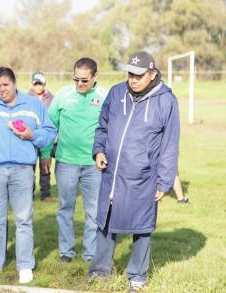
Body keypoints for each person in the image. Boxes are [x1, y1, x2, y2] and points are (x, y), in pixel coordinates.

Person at [89, 51, 180, 293]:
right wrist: (98, 151)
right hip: (112, 174)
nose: (134, 79)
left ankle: (137, 277)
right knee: (106, 221)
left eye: (139, 75)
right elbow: (103, 126)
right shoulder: (116, 93)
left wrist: (164, 181)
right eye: (130, 74)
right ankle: (100, 270)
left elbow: (170, 144)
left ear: (152, 74)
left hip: (144, 178)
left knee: (142, 226)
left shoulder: (166, 100)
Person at [0, 55, 57, 284]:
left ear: (14, 84)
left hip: (22, 171)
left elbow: (49, 133)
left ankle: (25, 265)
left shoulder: (34, 104)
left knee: (23, 219)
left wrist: (31, 135)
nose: (2, 90)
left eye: (6, 85)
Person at [40, 58, 107, 262]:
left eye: (84, 80)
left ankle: (90, 253)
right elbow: (49, 125)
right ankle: (66, 252)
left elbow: (111, 128)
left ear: (95, 77)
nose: (79, 84)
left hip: (94, 164)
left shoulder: (105, 96)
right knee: (65, 207)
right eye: (76, 79)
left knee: (93, 211)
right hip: (66, 162)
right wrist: (45, 154)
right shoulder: (62, 95)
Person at [27, 72, 54, 202]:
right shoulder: (27, 98)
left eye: (40, 84)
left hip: (45, 139)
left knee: (45, 167)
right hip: (30, 138)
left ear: (44, 84)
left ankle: (46, 194)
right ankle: (28, 194)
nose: (38, 87)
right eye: (35, 84)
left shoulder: (52, 99)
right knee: (29, 168)